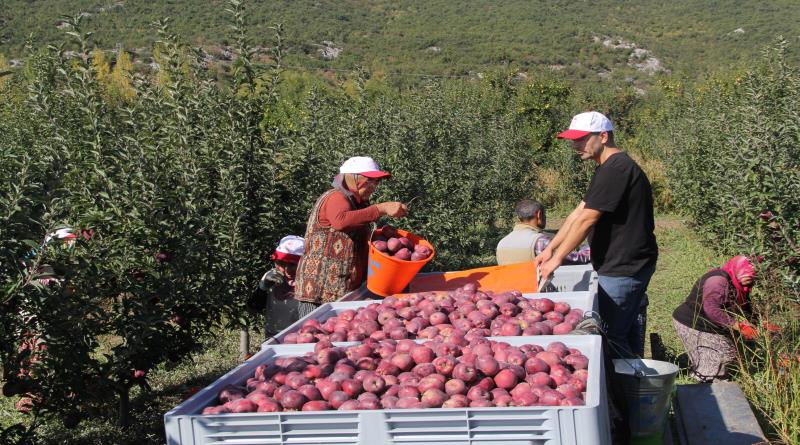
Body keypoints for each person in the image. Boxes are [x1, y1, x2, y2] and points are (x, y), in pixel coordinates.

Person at [535, 111, 658, 358]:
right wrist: (550, 247)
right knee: (620, 329)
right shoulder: (607, 168)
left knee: (612, 336)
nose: (575, 145)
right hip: (619, 263)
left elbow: (588, 220)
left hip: (624, 265)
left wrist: (557, 259)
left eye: (581, 139)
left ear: (603, 136)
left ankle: (632, 389)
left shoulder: (617, 169)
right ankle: (633, 379)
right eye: (573, 139)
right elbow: (578, 213)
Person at [293, 156, 407, 316]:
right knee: (314, 335)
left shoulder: (356, 204)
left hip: (340, 291)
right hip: (318, 294)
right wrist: (379, 209)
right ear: (351, 178)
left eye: (376, 182)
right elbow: (340, 221)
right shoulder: (336, 197)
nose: (374, 186)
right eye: (369, 180)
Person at [672, 256, 763, 382]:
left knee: (732, 354)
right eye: (747, 276)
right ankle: (704, 384)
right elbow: (712, 310)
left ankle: (718, 379)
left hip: (710, 324)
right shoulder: (717, 282)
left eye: (752, 277)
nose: (749, 280)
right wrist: (740, 326)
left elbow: (745, 308)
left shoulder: (739, 283)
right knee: (722, 358)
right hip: (693, 324)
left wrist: (757, 325)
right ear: (738, 270)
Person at [496, 199, 591, 266]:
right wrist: (590, 248)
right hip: (535, 291)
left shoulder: (502, 243)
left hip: (511, 292)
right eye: (544, 214)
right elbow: (576, 259)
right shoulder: (539, 241)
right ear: (539, 214)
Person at [247, 235, 305, 339]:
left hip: (301, 338)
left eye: (292, 265)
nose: (286, 270)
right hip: (273, 338)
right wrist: (262, 288)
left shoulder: (309, 282)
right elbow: (253, 309)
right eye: (281, 264)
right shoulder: (272, 277)